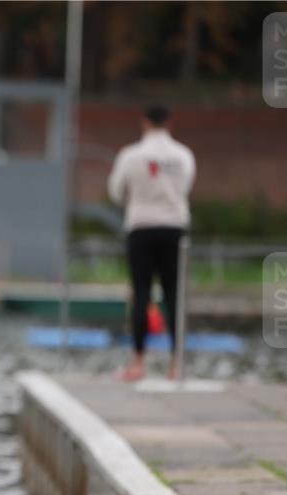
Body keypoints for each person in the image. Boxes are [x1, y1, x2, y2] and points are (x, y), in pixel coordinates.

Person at [108, 105, 196, 381]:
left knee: (141, 294)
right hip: (174, 229)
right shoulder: (183, 155)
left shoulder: (131, 155)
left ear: (144, 123)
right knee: (174, 295)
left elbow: (115, 192)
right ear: (170, 122)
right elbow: (186, 187)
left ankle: (137, 363)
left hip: (141, 227)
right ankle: (176, 364)